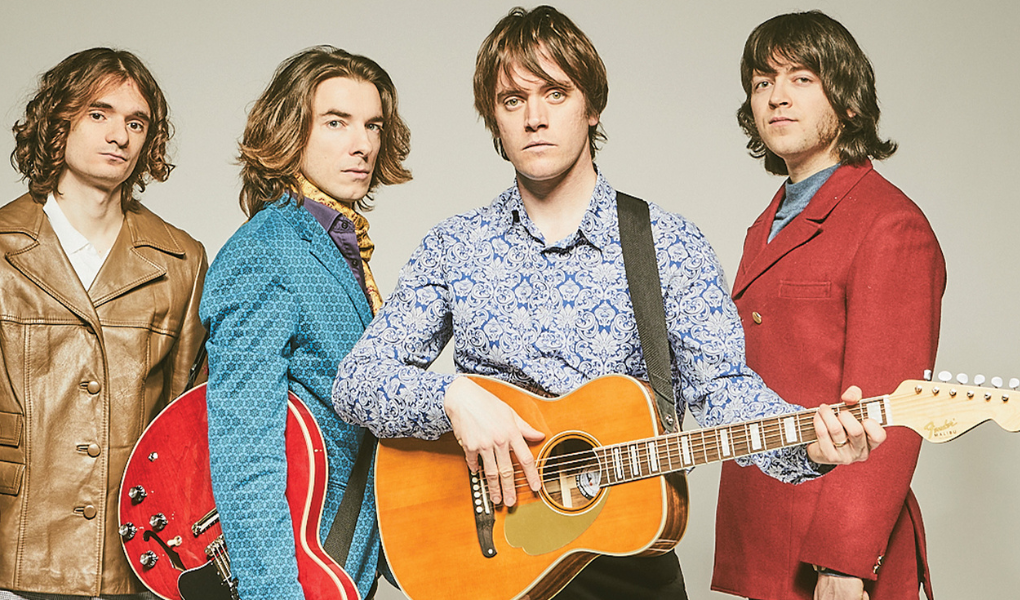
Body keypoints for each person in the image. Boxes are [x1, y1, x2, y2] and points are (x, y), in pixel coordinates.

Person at [333, 6, 883, 600]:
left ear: (591, 107)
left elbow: (722, 390)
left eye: (555, 93)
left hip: (629, 559)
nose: (535, 118)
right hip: (493, 561)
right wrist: (454, 397)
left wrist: (807, 442)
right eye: (513, 100)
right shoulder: (454, 247)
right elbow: (357, 380)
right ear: (494, 119)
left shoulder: (669, 244)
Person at [0, 48, 207, 600]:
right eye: (98, 114)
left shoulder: (181, 261)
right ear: (60, 122)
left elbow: (184, 428)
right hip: (10, 557)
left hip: (134, 564)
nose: (119, 135)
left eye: (136, 122)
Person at [712, 11, 945, 600]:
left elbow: (889, 411)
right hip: (762, 535)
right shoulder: (765, 225)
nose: (777, 97)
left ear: (846, 100)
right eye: (763, 83)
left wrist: (843, 560)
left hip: (831, 552)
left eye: (801, 78)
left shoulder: (890, 225)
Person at [200, 46, 411, 600]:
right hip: (296, 568)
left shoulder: (338, 247)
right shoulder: (264, 252)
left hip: (343, 564)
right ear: (291, 131)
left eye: (372, 125)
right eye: (336, 123)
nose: (361, 144)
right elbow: (245, 446)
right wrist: (275, 594)